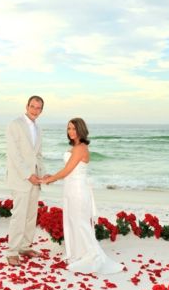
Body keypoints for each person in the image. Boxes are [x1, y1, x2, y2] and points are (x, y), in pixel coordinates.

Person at [42, 118, 123, 275]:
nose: (71, 131)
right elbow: (67, 170)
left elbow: (67, 171)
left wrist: (49, 180)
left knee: (80, 222)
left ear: (81, 130)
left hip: (78, 190)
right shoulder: (76, 147)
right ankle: (78, 253)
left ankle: (91, 255)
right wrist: (52, 176)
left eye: (73, 128)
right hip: (70, 188)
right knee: (73, 221)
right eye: (68, 128)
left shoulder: (80, 148)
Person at [5, 96, 47, 266]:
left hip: (35, 179)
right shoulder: (15, 125)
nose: (34, 110)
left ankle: (24, 246)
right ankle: (12, 251)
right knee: (19, 216)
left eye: (38, 108)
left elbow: (38, 155)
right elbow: (14, 154)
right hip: (21, 178)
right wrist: (28, 175)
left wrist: (42, 175)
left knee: (31, 215)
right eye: (32, 106)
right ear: (26, 106)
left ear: (41, 111)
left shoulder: (38, 129)